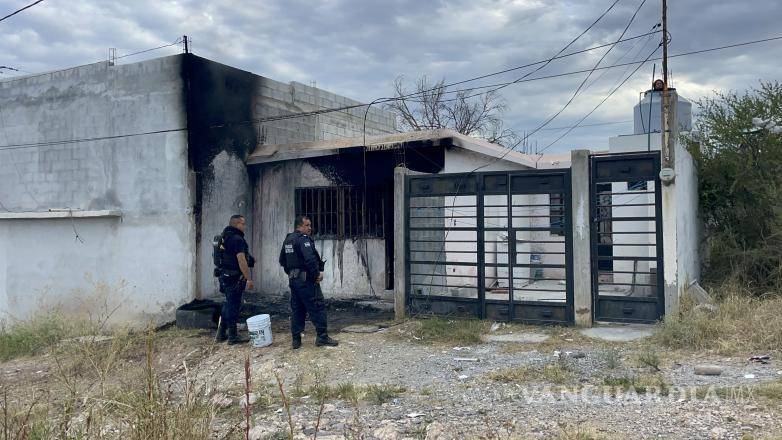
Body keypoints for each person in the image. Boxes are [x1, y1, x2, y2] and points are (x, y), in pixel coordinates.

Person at [278, 215, 338, 349]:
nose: (310, 228)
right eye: (307, 225)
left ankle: (296, 340)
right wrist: (316, 275)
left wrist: (292, 273)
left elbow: (282, 260)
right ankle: (322, 337)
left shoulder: (288, 239)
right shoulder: (303, 240)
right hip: (306, 282)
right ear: (299, 226)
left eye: (310, 225)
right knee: (317, 306)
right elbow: (310, 260)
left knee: (297, 309)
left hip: (294, 281)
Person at [215, 214, 255, 345]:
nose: (244, 226)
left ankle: (221, 333)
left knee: (228, 304)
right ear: (237, 224)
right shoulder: (237, 239)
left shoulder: (224, 236)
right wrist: (248, 278)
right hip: (234, 277)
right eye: (243, 224)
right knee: (234, 306)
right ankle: (232, 336)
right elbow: (241, 259)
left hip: (224, 275)